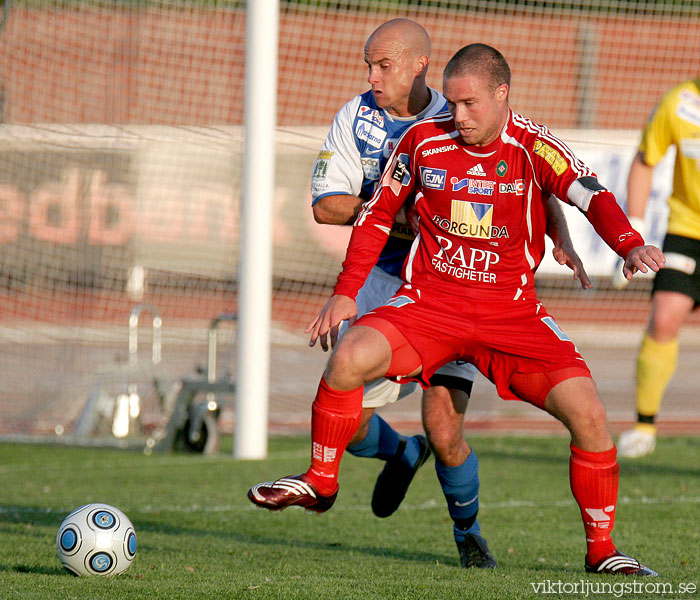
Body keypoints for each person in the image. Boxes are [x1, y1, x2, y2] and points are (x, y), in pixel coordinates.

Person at [250, 43, 660, 574]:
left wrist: (627, 244)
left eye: (470, 105)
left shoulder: (533, 144)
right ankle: (320, 482)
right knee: (348, 356)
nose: (458, 116)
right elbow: (375, 217)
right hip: (431, 306)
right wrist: (346, 290)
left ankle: (602, 551)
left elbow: (590, 193)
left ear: (501, 94)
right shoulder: (423, 140)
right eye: (452, 103)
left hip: (509, 315)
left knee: (590, 417)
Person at [307, 19, 588, 569]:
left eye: (382, 65)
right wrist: (400, 206)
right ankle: (399, 451)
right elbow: (324, 205)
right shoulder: (355, 116)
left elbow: (532, 172)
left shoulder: (458, 112)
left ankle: (469, 533)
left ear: (419, 67)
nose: (371, 77)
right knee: (340, 413)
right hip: (380, 285)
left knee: (444, 427)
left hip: (448, 289)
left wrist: (560, 234)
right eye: (368, 65)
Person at [614, 79, 700, 458]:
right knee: (665, 317)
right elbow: (645, 160)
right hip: (686, 229)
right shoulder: (680, 102)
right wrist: (632, 228)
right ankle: (644, 425)